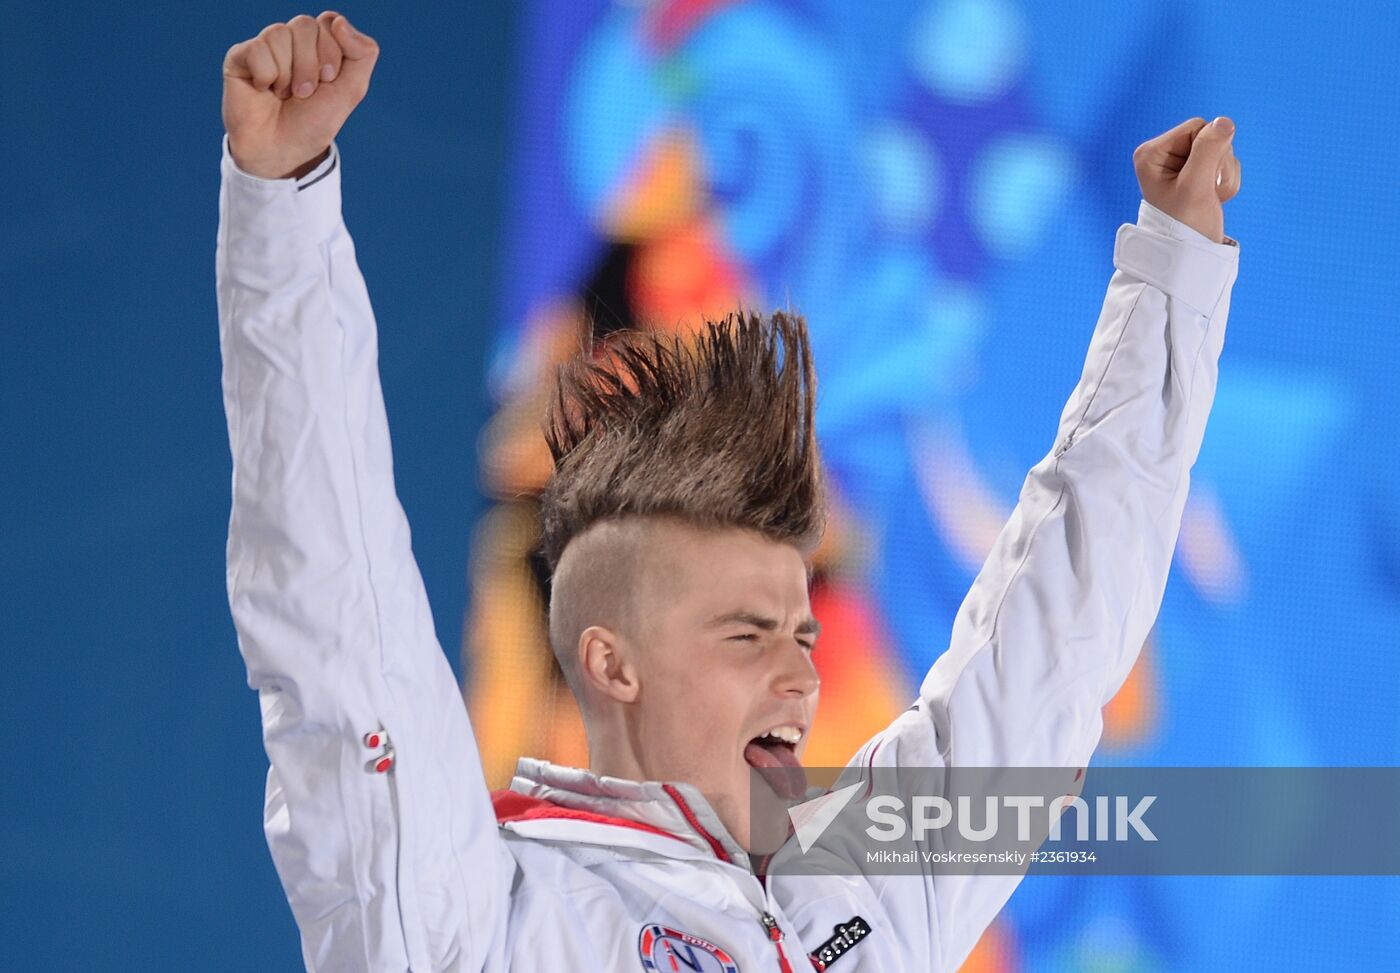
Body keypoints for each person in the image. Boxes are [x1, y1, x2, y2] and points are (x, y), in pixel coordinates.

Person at [217, 12, 1241, 972]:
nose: (801, 680)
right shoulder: (473, 913)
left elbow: (1052, 644)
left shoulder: (848, 910)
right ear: (612, 662)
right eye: (747, 636)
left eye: (801, 635)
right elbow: (336, 619)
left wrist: (1173, 273)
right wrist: (282, 209)